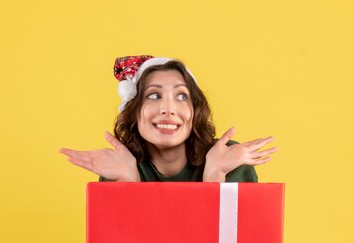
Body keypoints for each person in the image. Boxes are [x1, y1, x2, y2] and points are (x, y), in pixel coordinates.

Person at [59, 55, 276, 182]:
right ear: (134, 110)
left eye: (181, 96)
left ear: (194, 111)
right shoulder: (119, 165)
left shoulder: (229, 159)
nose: (168, 109)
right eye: (154, 95)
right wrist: (129, 181)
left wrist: (215, 174)